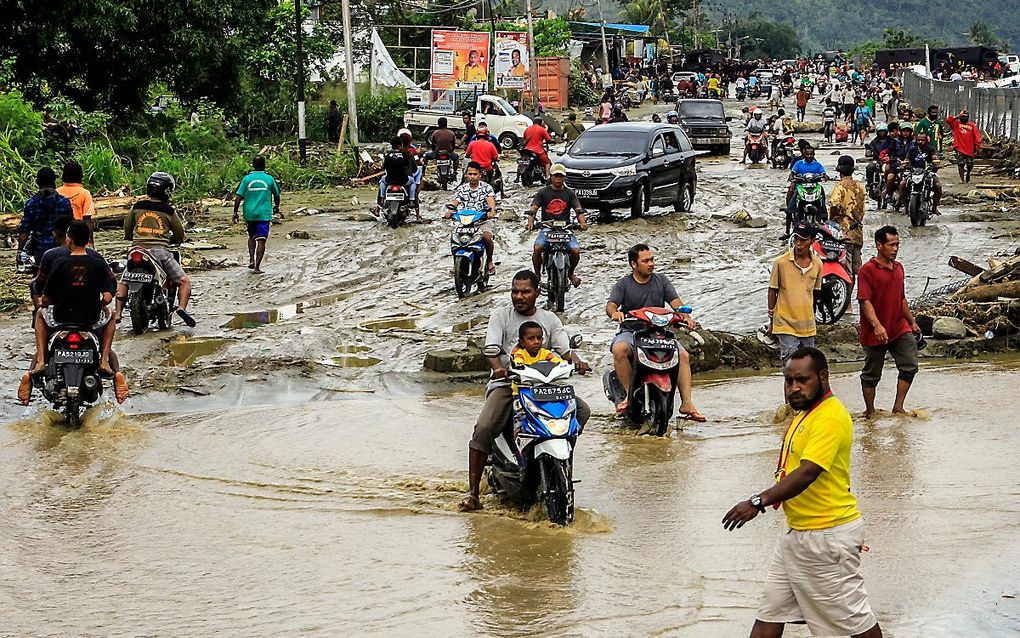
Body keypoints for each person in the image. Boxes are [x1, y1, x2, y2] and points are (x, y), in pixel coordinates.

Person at [722, 347, 882, 638]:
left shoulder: (830, 417)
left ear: (823, 376)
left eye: (802, 380)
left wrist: (758, 502)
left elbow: (808, 471)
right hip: (797, 534)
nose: (794, 387)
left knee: (856, 623)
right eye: (788, 380)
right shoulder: (806, 413)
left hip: (827, 536)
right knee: (769, 614)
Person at [458, 270, 591, 511]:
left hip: (546, 388)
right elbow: (492, 348)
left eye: (525, 291)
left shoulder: (550, 319)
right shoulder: (501, 315)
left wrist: (578, 362)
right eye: (514, 291)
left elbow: (564, 350)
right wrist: (499, 368)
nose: (518, 296)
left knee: (582, 410)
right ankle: (473, 494)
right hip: (509, 386)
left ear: (537, 293)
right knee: (484, 429)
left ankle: (560, 460)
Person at [19, 220, 129, 406]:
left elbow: (45, 297)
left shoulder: (59, 262)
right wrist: (100, 303)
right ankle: (104, 362)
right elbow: (109, 295)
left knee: (39, 315)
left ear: (68, 239)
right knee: (110, 314)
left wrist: (46, 302)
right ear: (88, 240)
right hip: (89, 319)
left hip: (61, 318)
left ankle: (40, 360)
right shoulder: (97, 262)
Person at [606, 244, 705, 422]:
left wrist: (685, 316)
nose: (651, 264)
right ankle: (629, 395)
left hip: (659, 333)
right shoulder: (623, 284)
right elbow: (611, 305)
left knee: (683, 355)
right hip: (632, 332)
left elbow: (676, 303)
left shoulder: (662, 281)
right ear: (633, 264)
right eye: (646, 261)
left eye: (652, 259)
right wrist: (615, 313)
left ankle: (687, 403)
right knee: (619, 349)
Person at [114, 172, 195, 327]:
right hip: (160, 252)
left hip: (137, 250)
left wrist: (130, 237)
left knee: (124, 281)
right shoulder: (169, 211)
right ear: (168, 191)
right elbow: (179, 233)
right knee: (184, 281)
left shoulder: (137, 207)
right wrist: (179, 239)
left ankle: (117, 313)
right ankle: (181, 308)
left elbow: (127, 227)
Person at [858, 226, 921, 419]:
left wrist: (912, 321)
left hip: (898, 326)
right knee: (871, 374)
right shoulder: (867, 271)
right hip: (874, 330)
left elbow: (901, 298)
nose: (895, 249)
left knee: (910, 364)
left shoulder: (899, 268)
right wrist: (877, 325)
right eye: (891, 245)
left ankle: (898, 406)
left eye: (897, 244)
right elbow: (864, 301)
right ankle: (870, 411)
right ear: (879, 245)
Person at [768, 221, 823, 364]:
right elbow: (772, 290)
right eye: (796, 239)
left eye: (803, 240)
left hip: (807, 325)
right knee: (791, 366)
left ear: (812, 240)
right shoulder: (780, 262)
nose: (798, 244)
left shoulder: (817, 264)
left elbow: (816, 294)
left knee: (808, 367)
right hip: (785, 323)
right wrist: (771, 321)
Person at [528, 163, 588, 287]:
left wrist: (582, 223)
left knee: (576, 250)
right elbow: (534, 208)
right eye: (556, 176)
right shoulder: (543, 192)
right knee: (537, 248)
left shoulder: (570, 193)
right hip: (547, 228)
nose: (558, 179)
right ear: (551, 176)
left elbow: (578, 210)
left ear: (564, 177)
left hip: (565, 229)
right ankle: (537, 275)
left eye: (561, 176)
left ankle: (571, 273)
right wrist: (530, 222)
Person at [446, 162, 497, 277]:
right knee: (454, 238)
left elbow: (491, 201)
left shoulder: (486, 188)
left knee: (487, 237)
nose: (472, 176)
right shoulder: (462, 188)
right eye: (470, 174)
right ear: (466, 175)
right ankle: (456, 263)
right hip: (464, 221)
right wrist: (450, 211)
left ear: (480, 175)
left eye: (475, 174)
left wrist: (491, 211)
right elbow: (455, 202)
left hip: (482, 220)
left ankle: (489, 261)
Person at [17, 167, 73, 273]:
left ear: (37, 182)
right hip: (62, 246)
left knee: (40, 276)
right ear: (54, 181)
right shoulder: (64, 201)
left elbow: (24, 231)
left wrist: (20, 251)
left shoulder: (31, 203)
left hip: (39, 248)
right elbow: (71, 225)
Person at [232, 155, 281, 274]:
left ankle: (251, 259)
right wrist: (277, 207)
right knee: (262, 240)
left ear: (252, 165)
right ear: (264, 165)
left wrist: (235, 212)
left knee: (251, 237)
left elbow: (238, 197)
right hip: (263, 214)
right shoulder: (269, 179)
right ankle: (257, 267)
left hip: (249, 213)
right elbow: (277, 195)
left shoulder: (247, 179)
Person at [827, 156, 867, 292]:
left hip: (843, 232)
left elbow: (834, 204)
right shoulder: (860, 187)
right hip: (857, 231)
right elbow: (862, 210)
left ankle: (847, 304)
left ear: (839, 171)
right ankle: (850, 299)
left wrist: (831, 221)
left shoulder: (840, 187)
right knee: (856, 268)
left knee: (845, 267)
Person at [784, 145, 827, 238]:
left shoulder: (817, 165)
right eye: (807, 154)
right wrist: (792, 178)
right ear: (804, 154)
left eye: (811, 154)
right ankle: (787, 231)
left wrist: (824, 176)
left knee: (822, 195)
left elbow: (823, 173)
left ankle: (823, 218)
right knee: (789, 209)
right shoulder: (799, 164)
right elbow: (793, 173)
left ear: (814, 154)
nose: (809, 156)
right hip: (800, 188)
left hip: (814, 187)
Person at [898, 131, 942, 216]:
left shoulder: (930, 149)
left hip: (927, 172)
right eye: (918, 140)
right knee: (902, 184)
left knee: (938, 186)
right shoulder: (912, 149)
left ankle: (934, 207)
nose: (920, 142)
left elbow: (934, 156)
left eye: (922, 140)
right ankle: (906, 207)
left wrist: (936, 162)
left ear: (926, 140)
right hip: (914, 172)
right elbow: (907, 159)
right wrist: (904, 164)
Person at [56, 160, 95, 245]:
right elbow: (87, 219)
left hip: (60, 237)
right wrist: (90, 240)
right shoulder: (85, 193)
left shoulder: (56, 193)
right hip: (78, 237)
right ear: (80, 176)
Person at [946, 109, 982, 184]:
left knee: (970, 164)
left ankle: (968, 173)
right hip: (959, 148)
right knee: (960, 164)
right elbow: (948, 120)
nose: (964, 118)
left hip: (970, 148)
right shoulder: (956, 124)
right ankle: (962, 179)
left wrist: (977, 147)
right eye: (962, 117)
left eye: (965, 117)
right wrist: (957, 116)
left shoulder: (972, 125)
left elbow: (977, 137)